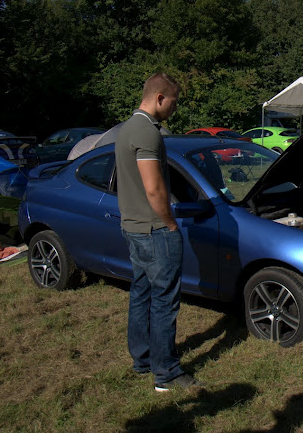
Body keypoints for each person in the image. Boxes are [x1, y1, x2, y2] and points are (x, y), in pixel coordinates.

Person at [115, 72, 203, 392]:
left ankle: (142, 359)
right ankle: (166, 372)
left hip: (133, 227)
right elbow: (153, 189)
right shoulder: (146, 133)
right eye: (173, 102)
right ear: (160, 98)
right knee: (164, 300)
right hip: (154, 230)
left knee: (141, 293)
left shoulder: (127, 129)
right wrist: (169, 223)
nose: (174, 109)